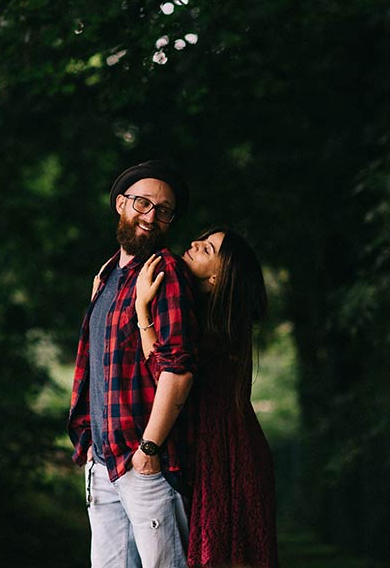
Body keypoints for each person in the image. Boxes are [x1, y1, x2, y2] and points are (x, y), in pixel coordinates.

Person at [68, 160, 200, 568]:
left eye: (163, 210)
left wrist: (149, 449)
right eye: (143, 203)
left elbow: (179, 369)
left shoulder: (166, 273)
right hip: (104, 463)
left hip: (146, 464)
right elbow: (94, 370)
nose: (151, 216)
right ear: (121, 204)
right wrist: (90, 446)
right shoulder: (107, 276)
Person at [136, 227, 279, 568]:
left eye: (208, 249)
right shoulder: (210, 318)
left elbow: (165, 371)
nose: (195, 243)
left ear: (219, 276)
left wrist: (143, 310)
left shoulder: (219, 329)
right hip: (223, 445)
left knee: (229, 552)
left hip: (227, 451)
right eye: (202, 240)